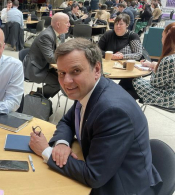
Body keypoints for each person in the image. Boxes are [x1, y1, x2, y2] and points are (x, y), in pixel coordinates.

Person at [29, 38, 162, 194]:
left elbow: (93, 175)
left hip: (120, 187)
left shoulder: (112, 112)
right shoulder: (91, 90)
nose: (66, 81)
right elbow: (68, 120)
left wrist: (46, 151)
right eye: (61, 73)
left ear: (97, 69)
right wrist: (61, 144)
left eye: (76, 71)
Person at [23, 13, 70, 97]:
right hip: (37, 68)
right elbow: (51, 58)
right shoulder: (46, 36)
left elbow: (62, 51)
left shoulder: (61, 34)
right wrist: (68, 60)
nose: (69, 25)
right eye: (67, 22)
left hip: (48, 66)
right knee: (58, 82)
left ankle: (39, 94)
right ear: (58, 24)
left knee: (64, 79)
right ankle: (37, 96)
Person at [130, 23, 175, 108]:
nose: (161, 39)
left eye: (163, 36)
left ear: (168, 38)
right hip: (170, 93)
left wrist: (155, 69)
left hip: (169, 98)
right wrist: (155, 65)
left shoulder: (169, 59)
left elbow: (154, 83)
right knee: (130, 88)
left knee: (132, 81)